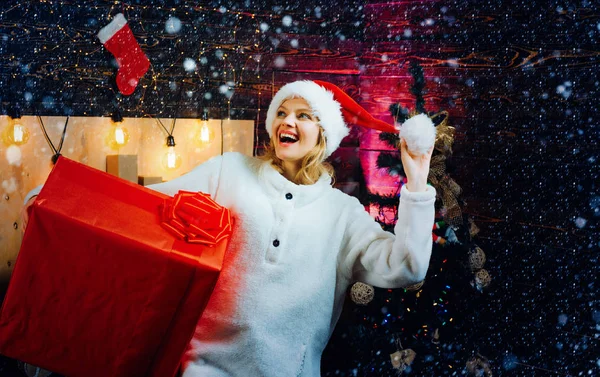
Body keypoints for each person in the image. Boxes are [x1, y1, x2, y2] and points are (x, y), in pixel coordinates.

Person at [22, 80, 436, 377]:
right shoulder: (230, 171)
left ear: (323, 135)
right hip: (202, 369)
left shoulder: (342, 214)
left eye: (304, 115)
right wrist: (63, 199)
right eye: (282, 113)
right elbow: (147, 204)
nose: (287, 121)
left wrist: (417, 185)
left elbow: (407, 267)